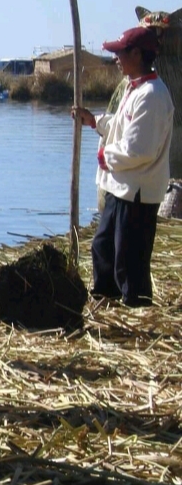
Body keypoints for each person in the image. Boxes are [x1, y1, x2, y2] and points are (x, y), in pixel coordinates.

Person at [72, 24, 173, 307]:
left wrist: (105, 156)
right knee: (103, 247)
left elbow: (139, 149)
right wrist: (94, 121)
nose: (116, 59)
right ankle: (105, 299)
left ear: (138, 54)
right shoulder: (135, 89)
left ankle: (136, 309)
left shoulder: (152, 95)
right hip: (120, 187)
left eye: (120, 53)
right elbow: (121, 126)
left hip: (138, 192)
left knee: (129, 259)